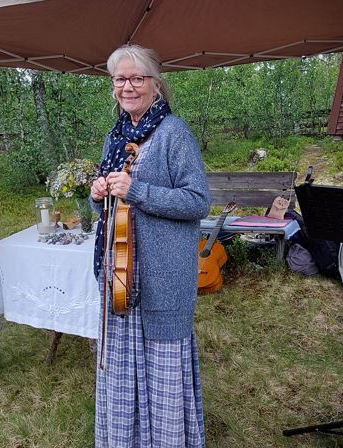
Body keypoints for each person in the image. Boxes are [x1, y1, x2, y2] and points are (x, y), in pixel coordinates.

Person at [89, 44, 210, 446]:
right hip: (120, 269)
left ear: (156, 84)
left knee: (160, 361)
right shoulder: (116, 134)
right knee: (123, 360)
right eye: (120, 79)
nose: (128, 87)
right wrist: (97, 192)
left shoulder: (174, 133)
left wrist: (138, 190)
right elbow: (107, 206)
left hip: (162, 273)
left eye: (137, 78)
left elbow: (197, 201)